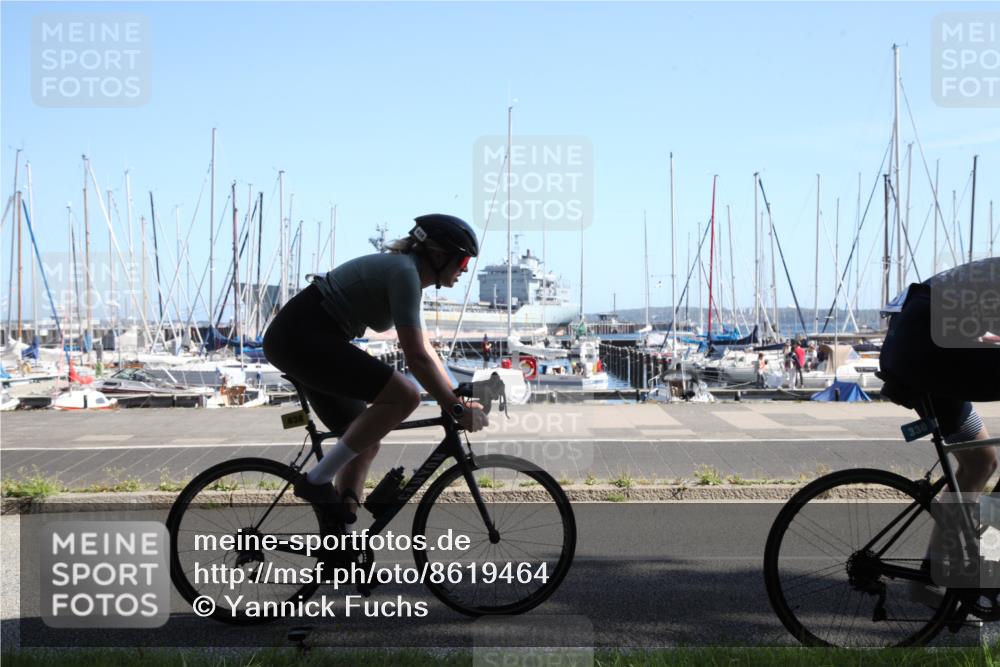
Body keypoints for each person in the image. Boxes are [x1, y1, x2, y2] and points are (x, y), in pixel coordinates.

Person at [262, 214, 490, 523]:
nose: (464, 271)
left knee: (365, 443)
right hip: (301, 336)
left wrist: (455, 400)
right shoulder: (403, 274)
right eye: (462, 263)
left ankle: (340, 550)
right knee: (405, 395)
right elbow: (416, 359)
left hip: (307, 338)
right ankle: (316, 482)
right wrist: (455, 408)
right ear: (438, 255)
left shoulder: (408, 276)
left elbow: (424, 349)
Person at [878, 258, 1000, 602]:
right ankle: (990, 571)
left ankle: (930, 575)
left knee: (981, 463)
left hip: (913, 341)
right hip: (930, 342)